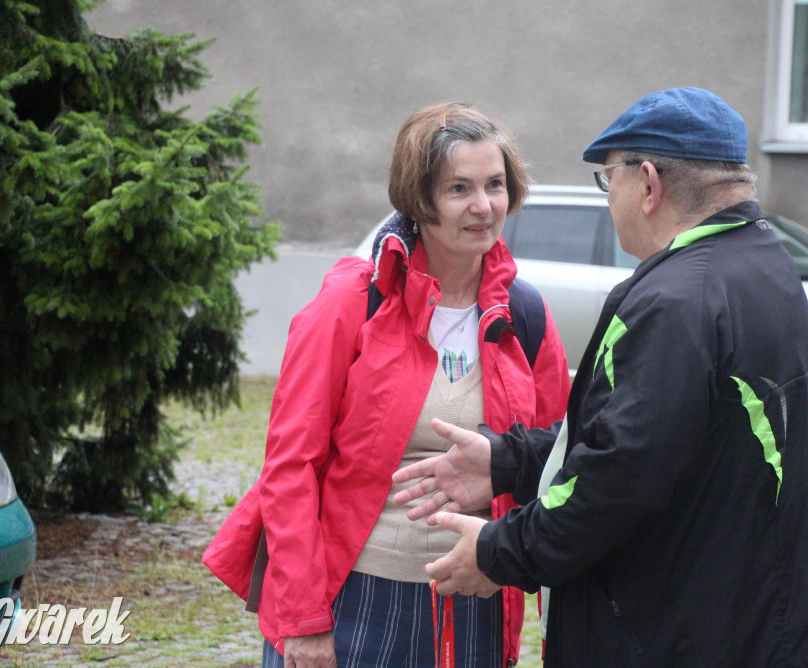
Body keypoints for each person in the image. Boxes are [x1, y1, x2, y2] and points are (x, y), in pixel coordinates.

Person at [394, 87, 808, 666]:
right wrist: (511, 459)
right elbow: (668, 438)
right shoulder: (765, 266)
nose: (610, 200)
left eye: (610, 181)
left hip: (671, 634)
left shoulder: (673, 301)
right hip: (753, 623)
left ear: (648, 183)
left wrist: (502, 549)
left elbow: (620, 478)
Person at [202, 102, 571, 668]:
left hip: (477, 597)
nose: (483, 206)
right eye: (458, 189)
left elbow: (554, 465)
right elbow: (290, 465)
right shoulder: (353, 302)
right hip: (356, 600)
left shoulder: (524, 315)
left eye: (495, 185)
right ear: (419, 200)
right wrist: (303, 620)